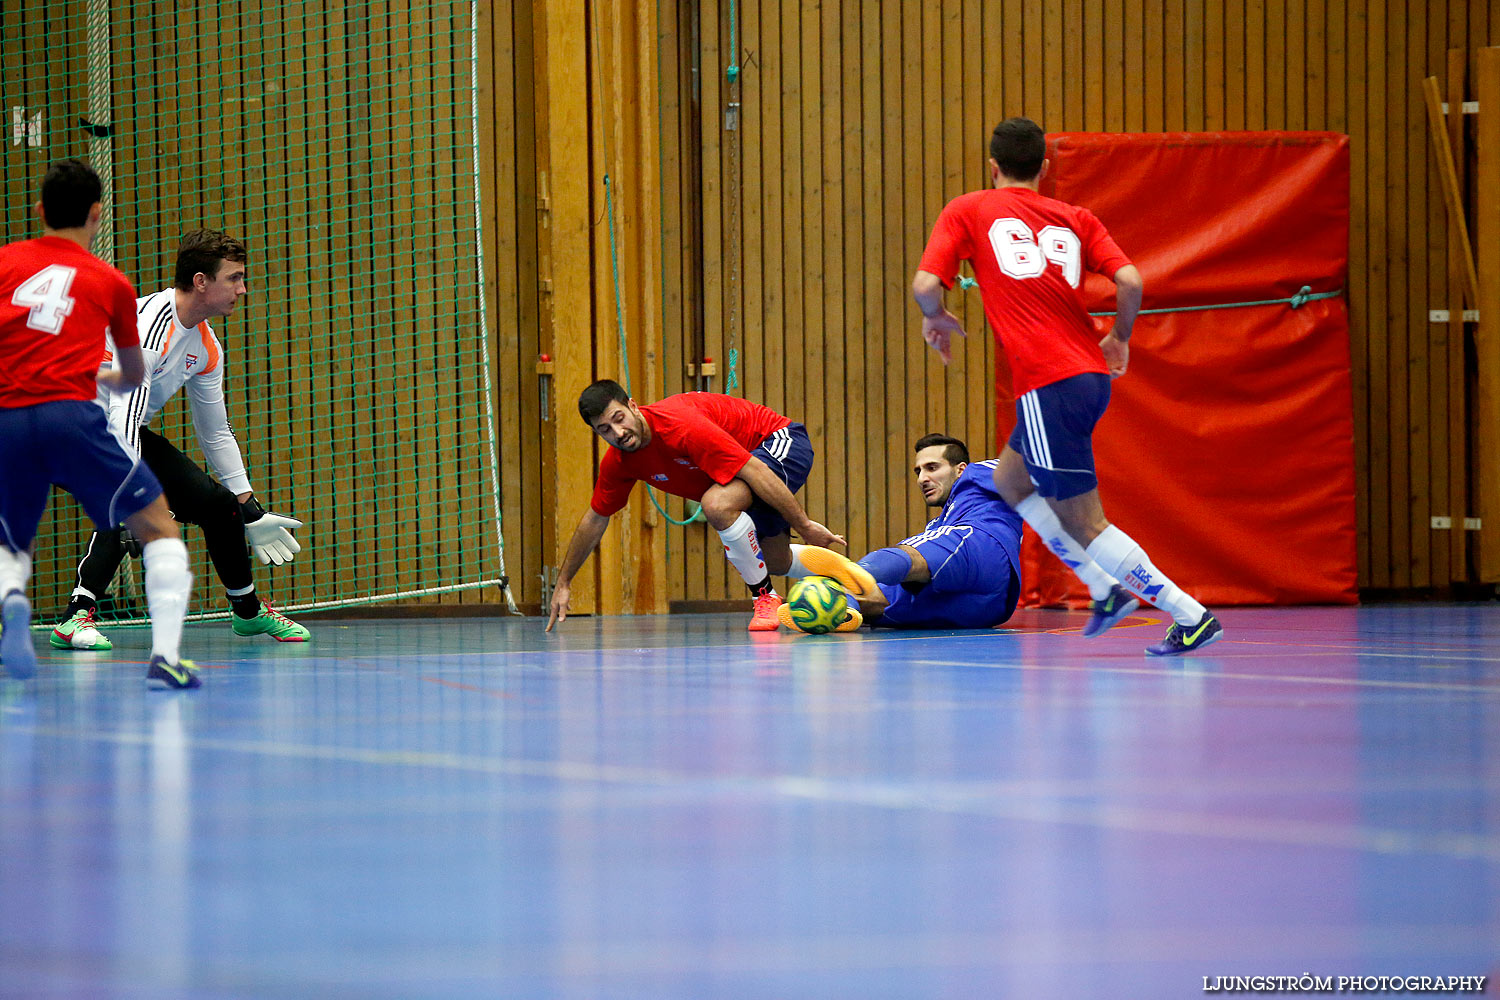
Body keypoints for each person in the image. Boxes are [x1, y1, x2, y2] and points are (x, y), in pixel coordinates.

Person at [909, 117, 1222, 655]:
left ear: (993, 167)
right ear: (1044, 168)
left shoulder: (969, 208)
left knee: (1087, 522)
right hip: (1086, 374)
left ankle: (1185, 613)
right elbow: (1129, 280)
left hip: (1048, 382)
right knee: (1008, 481)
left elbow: (923, 285)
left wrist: (935, 316)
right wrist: (1120, 337)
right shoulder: (1075, 216)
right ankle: (1104, 589)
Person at [49, 229, 308, 652]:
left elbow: (215, 431)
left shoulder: (206, 347)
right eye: (235, 278)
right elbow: (123, 415)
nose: (243, 289)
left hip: (109, 425)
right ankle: (77, 615)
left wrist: (250, 505)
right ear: (202, 281)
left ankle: (246, 611)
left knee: (220, 506)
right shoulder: (151, 324)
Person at [0, 158, 199, 688]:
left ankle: (14, 600)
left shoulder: (4, 264)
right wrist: (104, 375)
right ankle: (166, 657)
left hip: (8, 419)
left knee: (15, 535)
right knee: (159, 527)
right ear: (96, 214)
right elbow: (134, 373)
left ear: (39, 211)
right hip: (72, 417)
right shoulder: (109, 281)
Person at [546, 380, 845, 631]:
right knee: (775, 562)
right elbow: (595, 518)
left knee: (716, 503)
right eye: (605, 430)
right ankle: (848, 578)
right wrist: (564, 581)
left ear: (633, 406)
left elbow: (754, 470)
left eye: (619, 418)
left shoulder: (681, 427)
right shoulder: (620, 462)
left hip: (777, 441)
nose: (618, 433)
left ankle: (764, 597)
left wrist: (804, 525)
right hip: (742, 475)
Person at [783, 434, 1023, 632]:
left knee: (911, 553)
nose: (922, 479)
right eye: (918, 471)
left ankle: (849, 574)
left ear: (960, 469)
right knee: (889, 600)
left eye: (932, 468)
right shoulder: (939, 524)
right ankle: (835, 607)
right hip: (990, 607)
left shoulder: (977, 473)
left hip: (982, 543)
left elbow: (1028, 470)